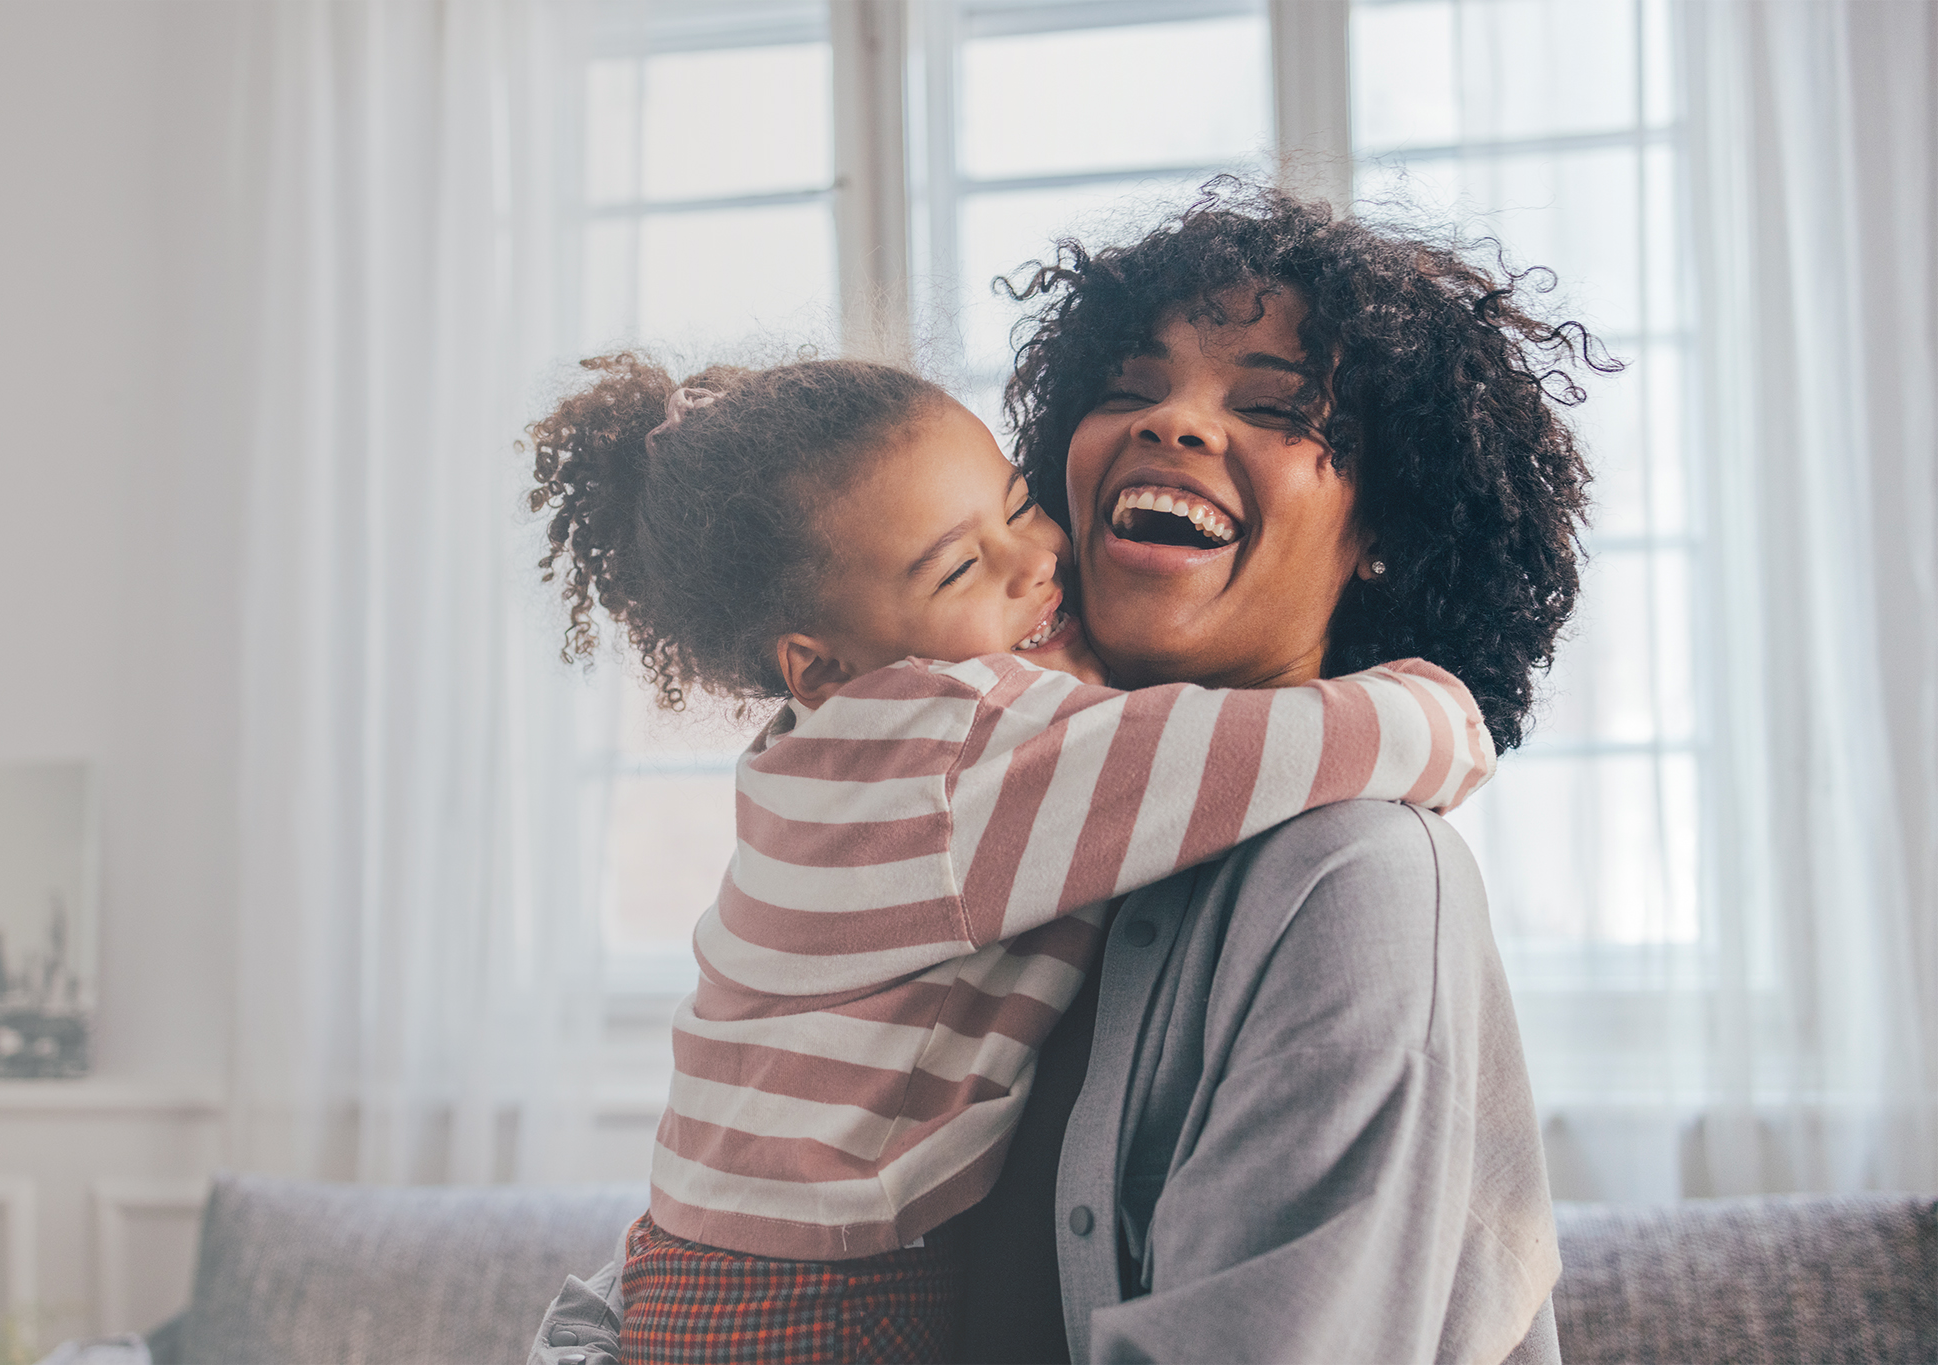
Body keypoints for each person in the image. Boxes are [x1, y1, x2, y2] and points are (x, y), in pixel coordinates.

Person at [533, 181, 1605, 1364]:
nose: (1172, 425)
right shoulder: (956, 775)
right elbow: (648, 1280)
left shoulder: (1354, 878)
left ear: (1388, 528)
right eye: (1128, 388)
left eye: (1274, 405)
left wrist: (1448, 710)